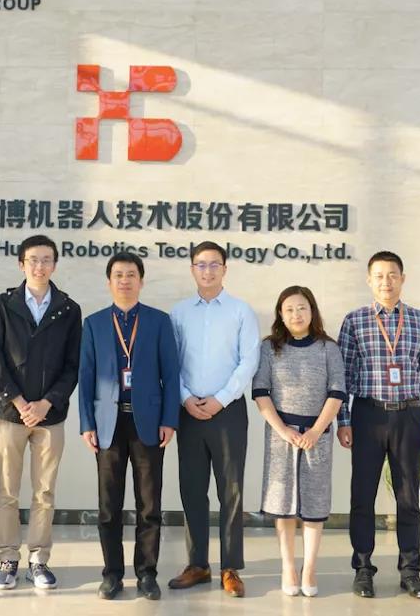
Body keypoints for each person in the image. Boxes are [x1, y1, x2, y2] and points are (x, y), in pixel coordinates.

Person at [336, 251, 420, 600]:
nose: (386, 282)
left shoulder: (418, 320)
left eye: (393, 275)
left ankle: (410, 571)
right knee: (362, 497)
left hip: (408, 416)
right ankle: (363, 569)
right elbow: (343, 377)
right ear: (369, 280)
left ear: (402, 278)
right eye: (380, 276)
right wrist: (343, 420)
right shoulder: (354, 321)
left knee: (408, 498)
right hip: (367, 416)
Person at [78, 252, 180, 601]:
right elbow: (86, 376)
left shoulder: (159, 321)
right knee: (109, 506)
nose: (125, 280)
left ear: (141, 280)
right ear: (109, 281)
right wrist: (86, 423)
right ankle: (112, 574)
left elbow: (171, 375)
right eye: (118, 275)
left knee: (149, 505)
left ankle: (147, 573)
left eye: (131, 274)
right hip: (108, 423)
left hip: (148, 422)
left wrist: (169, 419)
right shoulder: (93, 323)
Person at [0, 235, 82, 590]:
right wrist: (18, 401)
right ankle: (8, 558)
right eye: (33, 260)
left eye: (46, 260)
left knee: (44, 492)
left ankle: (39, 560)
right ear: (21, 264)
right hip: (10, 413)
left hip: (50, 416)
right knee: (8, 490)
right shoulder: (3, 304)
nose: (39, 266)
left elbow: (73, 364)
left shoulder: (68, 309)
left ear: (55, 264)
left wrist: (46, 402)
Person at [167, 241, 259, 598]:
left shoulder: (241, 311)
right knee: (192, 489)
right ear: (192, 269)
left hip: (228, 411)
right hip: (188, 410)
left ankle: (230, 568)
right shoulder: (178, 313)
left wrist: (220, 399)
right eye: (201, 265)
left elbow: (248, 361)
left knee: (231, 490)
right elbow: (170, 362)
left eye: (214, 264)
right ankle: (197, 564)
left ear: (225, 269)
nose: (207, 270)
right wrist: (185, 398)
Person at [251, 286, 346, 597]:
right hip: (282, 435)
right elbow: (260, 392)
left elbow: (337, 392)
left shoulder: (328, 348)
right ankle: (288, 566)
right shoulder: (269, 348)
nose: (296, 314)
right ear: (280, 314)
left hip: (317, 435)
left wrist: (316, 431)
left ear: (312, 311)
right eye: (289, 309)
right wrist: (283, 431)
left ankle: (310, 568)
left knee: (314, 504)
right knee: (284, 506)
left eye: (302, 307)